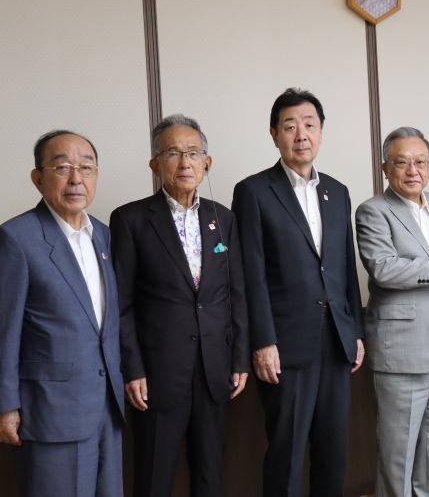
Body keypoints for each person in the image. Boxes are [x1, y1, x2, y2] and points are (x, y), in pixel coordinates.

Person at [232, 88, 365, 497]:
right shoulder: (254, 191)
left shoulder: (338, 192)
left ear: (321, 133)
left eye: (309, 125)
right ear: (274, 135)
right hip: (286, 346)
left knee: (333, 451)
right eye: (290, 126)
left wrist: (356, 331)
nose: (301, 134)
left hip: (336, 341)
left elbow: (345, 268)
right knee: (286, 453)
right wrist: (263, 341)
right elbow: (250, 275)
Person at [110, 114, 250, 496]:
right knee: (154, 475)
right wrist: (132, 368)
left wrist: (239, 358)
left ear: (207, 163)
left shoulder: (223, 219)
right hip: (157, 374)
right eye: (173, 153)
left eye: (193, 153)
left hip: (214, 369)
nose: (184, 162)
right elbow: (120, 304)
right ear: (156, 164)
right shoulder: (131, 219)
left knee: (210, 473)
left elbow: (236, 293)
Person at [0, 130, 125, 497]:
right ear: (38, 178)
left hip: (107, 410)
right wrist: (6, 406)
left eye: (86, 167)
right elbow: (3, 331)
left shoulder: (104, 236)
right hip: (51, 414)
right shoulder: (16, 238)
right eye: (62, 167)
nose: (76, 178)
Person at [356, 127, 429, 497]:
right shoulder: (373, 211)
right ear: (385, 167)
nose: (412, 170)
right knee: (397, 453)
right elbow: (383, 269)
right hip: (401, 351)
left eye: (420, 162)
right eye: (401, 163)